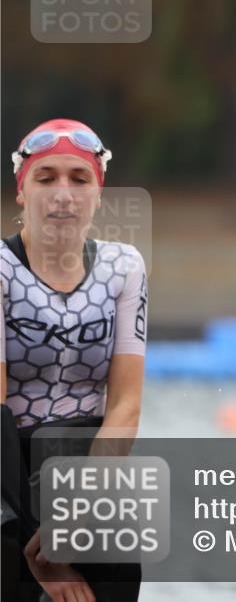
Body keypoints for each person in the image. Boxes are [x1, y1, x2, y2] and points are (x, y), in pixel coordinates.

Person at [1, 119, 148, 602]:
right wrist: (33, 546)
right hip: (7, 466)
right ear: (21, 191)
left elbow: (125, 405)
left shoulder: (123, 267)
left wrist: (77, 513)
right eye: (46, 178)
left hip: (85, 470)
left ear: (98, 195)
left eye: (79, 179)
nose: (63, 194)